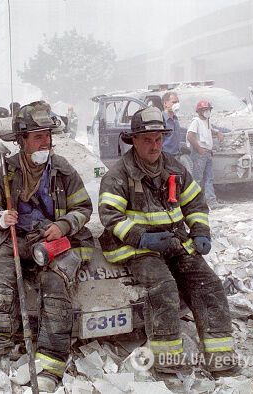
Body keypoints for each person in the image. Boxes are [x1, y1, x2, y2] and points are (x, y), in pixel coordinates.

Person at [98, 106, 237, 375]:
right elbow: (110, 217)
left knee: (208, 284)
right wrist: (143, 238)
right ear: (134, 140)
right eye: (147, 140)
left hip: (173, 242)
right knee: (163, 288)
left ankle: (220, 358)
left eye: (159, 139)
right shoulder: (117, 175)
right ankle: (167, 363)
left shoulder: (174, 168)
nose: (154, 146)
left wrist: (200, 232)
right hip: (133, 247)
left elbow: (196, 203)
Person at [0, 101, 94, 392]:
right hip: (13, 238)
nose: (45, 141)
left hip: (52, 240)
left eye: (47, 135)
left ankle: (49, 367)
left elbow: (83, 208)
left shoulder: (64, 171)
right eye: (37, 136)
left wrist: (63, 225)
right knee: (2, 281)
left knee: (56, 284)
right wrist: (1, 218)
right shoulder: (7, 171)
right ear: (22, 140)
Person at [186, 100, 224, 207]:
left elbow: (209, 130)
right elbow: (190, 136)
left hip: (207, 153)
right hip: (200, 153)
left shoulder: (207, 121)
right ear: (199, 111)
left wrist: (218, 133)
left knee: (209, 178)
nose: (207, 112)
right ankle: (195, 203)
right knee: (198, 178)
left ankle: (211, 201)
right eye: (205, 110)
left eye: (208, 109)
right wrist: (199, 149)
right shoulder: (196, 121)